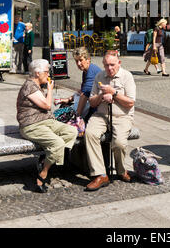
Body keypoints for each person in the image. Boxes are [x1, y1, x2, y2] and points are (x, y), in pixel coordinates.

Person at [16, 59, 77, 193]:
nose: (48, 74)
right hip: (31, 125)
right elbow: (47, 105)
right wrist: (50, 89)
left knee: (72, 131)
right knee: (58, 143)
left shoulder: (37, 85)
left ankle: (50, 160)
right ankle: (43, 172)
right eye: (46, 71)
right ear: (37, 73)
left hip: (46, 122)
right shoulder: (30, 86)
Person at [84, 50, 136, 191]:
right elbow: (92, 102)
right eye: (106, 65)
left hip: (122, 116)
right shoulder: (99, 76)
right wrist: (102, 95)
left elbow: (130, 103)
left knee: (118, 143)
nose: (109, 68)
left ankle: (121, 170)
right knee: (90, 134)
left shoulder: (127, 76)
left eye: (112, 64)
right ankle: (100, 174)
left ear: (119, 63)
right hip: (101, 115)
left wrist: (114, 93)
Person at [57, 47, 102, 121]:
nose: (78, 63)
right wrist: (69, 99)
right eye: (76, 61)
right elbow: (82, 91)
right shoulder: (86, 71)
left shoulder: (91, 73)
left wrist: (76, 117)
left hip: (97, 109)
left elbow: (84, 96)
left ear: (88, 59)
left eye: (81, 60)